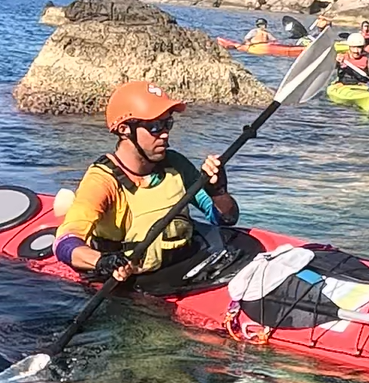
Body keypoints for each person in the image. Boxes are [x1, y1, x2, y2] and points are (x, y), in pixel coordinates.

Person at [53, 81, 241, 290]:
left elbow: (225, 219)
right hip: (133, 284)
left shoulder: (176, 164)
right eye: (154, 126)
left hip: (181, 269)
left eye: (167, 123)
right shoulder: (102, 181)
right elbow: (64, 243)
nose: (164, 133)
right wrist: (102, 262)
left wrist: (218, 192)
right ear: (124, 129)